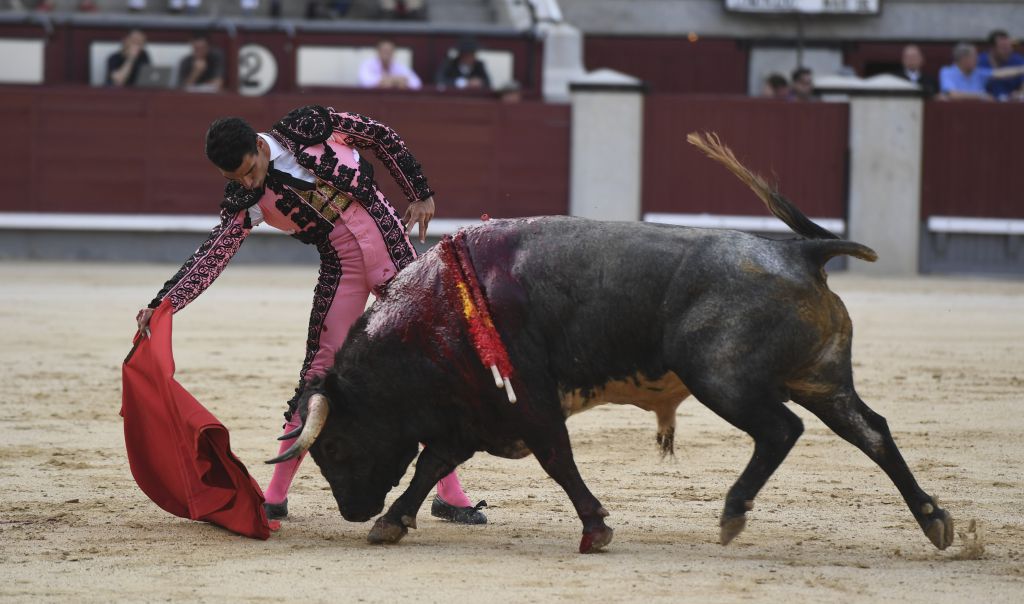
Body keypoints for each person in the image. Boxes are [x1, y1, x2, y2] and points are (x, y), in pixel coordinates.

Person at [134, 105, 488, 525]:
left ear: (259, 146)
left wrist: (419, 191)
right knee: (318, 375)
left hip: (394, 251)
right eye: (237, 179)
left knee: (425, 368)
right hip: (343, 270)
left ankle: (450, 493)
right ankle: (275, 493)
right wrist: (166, 301)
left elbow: (379, 135)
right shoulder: (247, 199)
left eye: (250, 170)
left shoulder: (311, 127)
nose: (249, 182)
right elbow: (215, 252)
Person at [939, 42, 1024, 101]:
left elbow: (1000, 73)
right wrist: (981, 96)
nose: (977, 60)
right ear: (963, 59)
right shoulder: (947, 72)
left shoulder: (978, 73)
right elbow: (951, 95)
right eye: (974, 57)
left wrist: (1021, 69)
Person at [978, 30, 1024, 101]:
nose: (1008, 51)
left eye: (1009, 47)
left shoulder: (1018, 60)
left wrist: (1019, 92)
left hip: (1012, 104)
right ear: (992, 48)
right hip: (986, 104)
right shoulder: (980, 62)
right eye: (1003, 48)